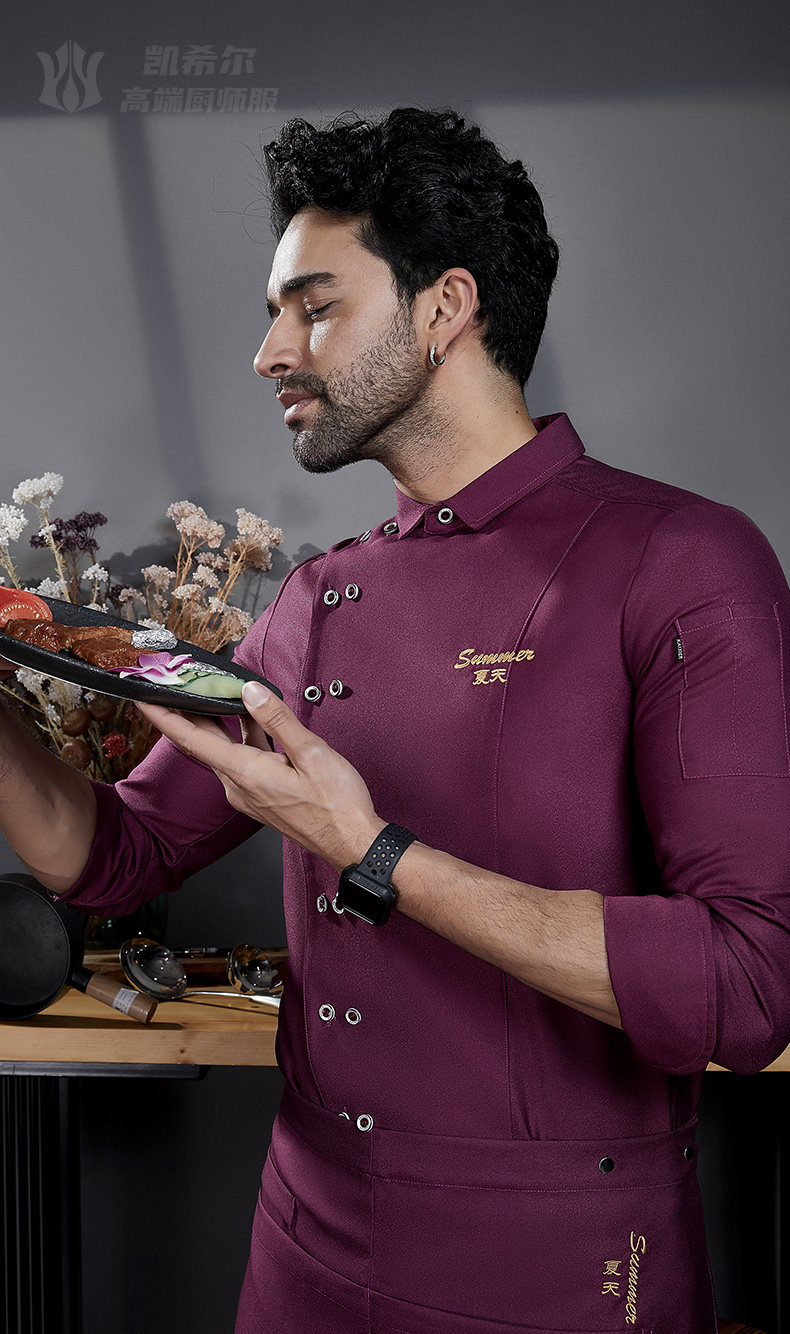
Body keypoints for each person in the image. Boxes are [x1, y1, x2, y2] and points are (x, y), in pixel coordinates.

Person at [2, 107, 790, 1333]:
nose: (269, 352)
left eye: (312, 308)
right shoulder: (318, 596)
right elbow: (115, 856)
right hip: (301, 1247)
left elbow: (745, 986)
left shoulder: (681, 560)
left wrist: (370, 852)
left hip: (560, 1263)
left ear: (445, 307)